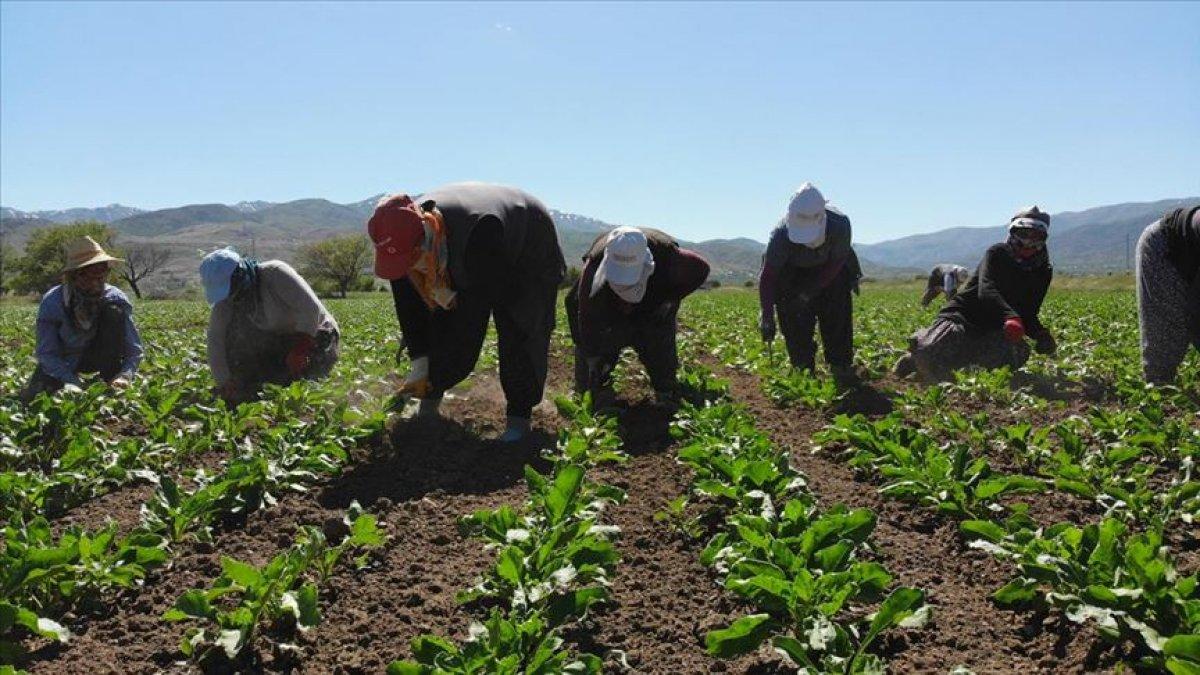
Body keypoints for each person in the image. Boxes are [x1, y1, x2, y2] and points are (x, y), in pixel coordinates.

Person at [369, 182, 565, 442]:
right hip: (472, 246)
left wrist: (439, 367)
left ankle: (519, 417)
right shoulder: (400, 244)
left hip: (528, 239)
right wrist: (420, 360)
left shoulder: (479, 234)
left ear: (424, 236)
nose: (405, 266)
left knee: (521, 324)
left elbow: (468, 323)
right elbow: (410, 307)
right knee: (444, 327)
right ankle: (428, 408)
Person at [894, 206, 1056, 381]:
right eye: (1024, 235)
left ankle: (954, 364)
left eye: (1036, 238)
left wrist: (1040, 335)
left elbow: (1029, 313)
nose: (1029, 243)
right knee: (927, 351)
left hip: (995, 327)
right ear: (1014, 233)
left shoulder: (1043, 271)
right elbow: (986, 289)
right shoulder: (997, 253)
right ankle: (917, 353)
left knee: (1017, 353)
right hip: (963, 317)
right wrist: (1011, 316)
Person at [565, 226, 710, 405]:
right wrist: (591, 355)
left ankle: (665, 391)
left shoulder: (670, 257)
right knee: (590, 378)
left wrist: (670, 299)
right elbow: (584, 317)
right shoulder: (593, 271)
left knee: (661, 358)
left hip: (652, 311)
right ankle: (591, 388)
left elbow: (701, 269)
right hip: (610, 315)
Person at [200, 248, 340, 403]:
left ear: (240, 275)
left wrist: (300, 349)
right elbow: (216, 340)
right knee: (239, 350)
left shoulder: (275, 273)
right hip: (279, 340)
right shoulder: (227, 300)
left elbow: (311, 310)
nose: (231, 296)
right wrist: (224, 381)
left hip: (315, 333)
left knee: (307, 384)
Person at [758, 182, 863, 385]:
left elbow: (837, 263)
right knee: (792, 314)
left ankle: (840, 365)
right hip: (792, 274)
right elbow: (768, 276)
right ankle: (802, 368)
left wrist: (810, 291)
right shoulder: (780, 235)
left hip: (831, 272)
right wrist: (767, 315)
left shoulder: (839, 224)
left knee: (837, 313)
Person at [19, 236, 143, 402]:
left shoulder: (115, 298)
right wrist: (72, 381)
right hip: (63, 360)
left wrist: (125, 375)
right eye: (87, 277)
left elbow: (134, 349)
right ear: (73, 277)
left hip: (99, 356)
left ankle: (110, 376)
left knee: (114, 311)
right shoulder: (54, 301)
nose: (95, 284)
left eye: (100, 277)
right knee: (36, 398)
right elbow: (47, 353)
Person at [1136, 204, 1200, 384]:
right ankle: (1158, 394)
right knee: (1164, 342)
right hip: (1164, 247)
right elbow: (1196, 310)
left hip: (1192, 256)